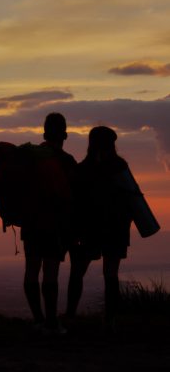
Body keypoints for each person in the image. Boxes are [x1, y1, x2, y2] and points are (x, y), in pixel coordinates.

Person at [66, 126, 133, 331]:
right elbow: (130, 197)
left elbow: (74, 203)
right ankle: (110, 320)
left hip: (88, 229)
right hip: (116, 229)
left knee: (77, 272)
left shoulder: (82, 169)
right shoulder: (120, 166)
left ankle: (70, 316)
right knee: (111, 274)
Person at [21, 113, 77, 334]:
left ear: (44, 133)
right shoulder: (68, 162)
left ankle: (37, 320)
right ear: (65, 134)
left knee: (31, 271)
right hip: (56, 224)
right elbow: (75, 197)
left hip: (31, 222)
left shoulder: (30, 157)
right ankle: (52, 322)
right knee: (50, 274)